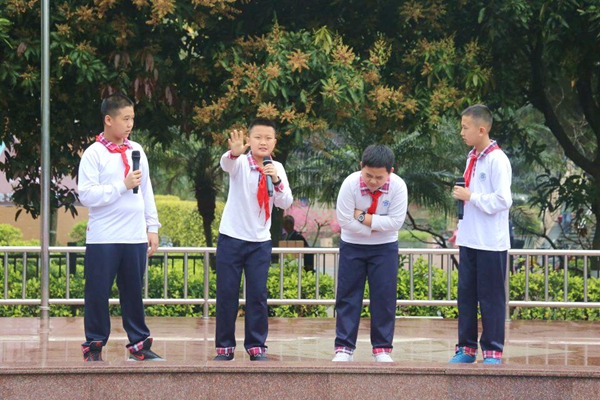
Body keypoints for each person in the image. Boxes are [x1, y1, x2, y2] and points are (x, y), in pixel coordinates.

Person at [78, 93, 162, 362]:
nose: (129, 125)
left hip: (134, 235)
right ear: (108, 119)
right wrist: (121, 186)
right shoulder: (94, 153)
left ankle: (139, 345)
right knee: (97, 293)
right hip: (103, 237)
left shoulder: (136, 150)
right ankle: (94, 346)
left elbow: (146, 190)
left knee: (133, 293)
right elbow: (86, 194)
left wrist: (152, 227)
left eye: (132, 119)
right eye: (125, 119)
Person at [214, 118, 293, 361]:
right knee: (227, 294)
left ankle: (256, 346)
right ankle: (225, 348)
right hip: (232, 238)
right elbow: (226, 163)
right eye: (258, 137)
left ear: (274, 142)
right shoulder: (239, 162)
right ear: (249, 139)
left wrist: (276, 179)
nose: (263, 142)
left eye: (268, 138)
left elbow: (285, 202)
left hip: (260, 242)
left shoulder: (276, 167)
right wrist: (233, 152)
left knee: (258, 295)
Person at [332, 145, 408, 363]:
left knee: (384, 298)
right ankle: (344, 348)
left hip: (385, 248)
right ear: (361, 167)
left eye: (379, 177)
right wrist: (374, 227)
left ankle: (382, 348)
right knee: (348, 296)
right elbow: (344, 220)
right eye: (368, 175)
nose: (373, 181)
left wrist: (361, 216)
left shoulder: (398, 186)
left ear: (390, 172)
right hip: (352, 245)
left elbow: (396, 222)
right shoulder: (350, 183)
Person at [450, 104, 512, 365]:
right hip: (469, 239)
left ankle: (492, 351)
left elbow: (503, 200)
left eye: (466, 128)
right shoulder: (471, 157)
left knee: (491, 298)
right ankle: (466, 348)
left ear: (482, 129)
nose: (462, 132)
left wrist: (471, 196)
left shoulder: (498, 159)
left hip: (490, 242)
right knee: (466, 296)